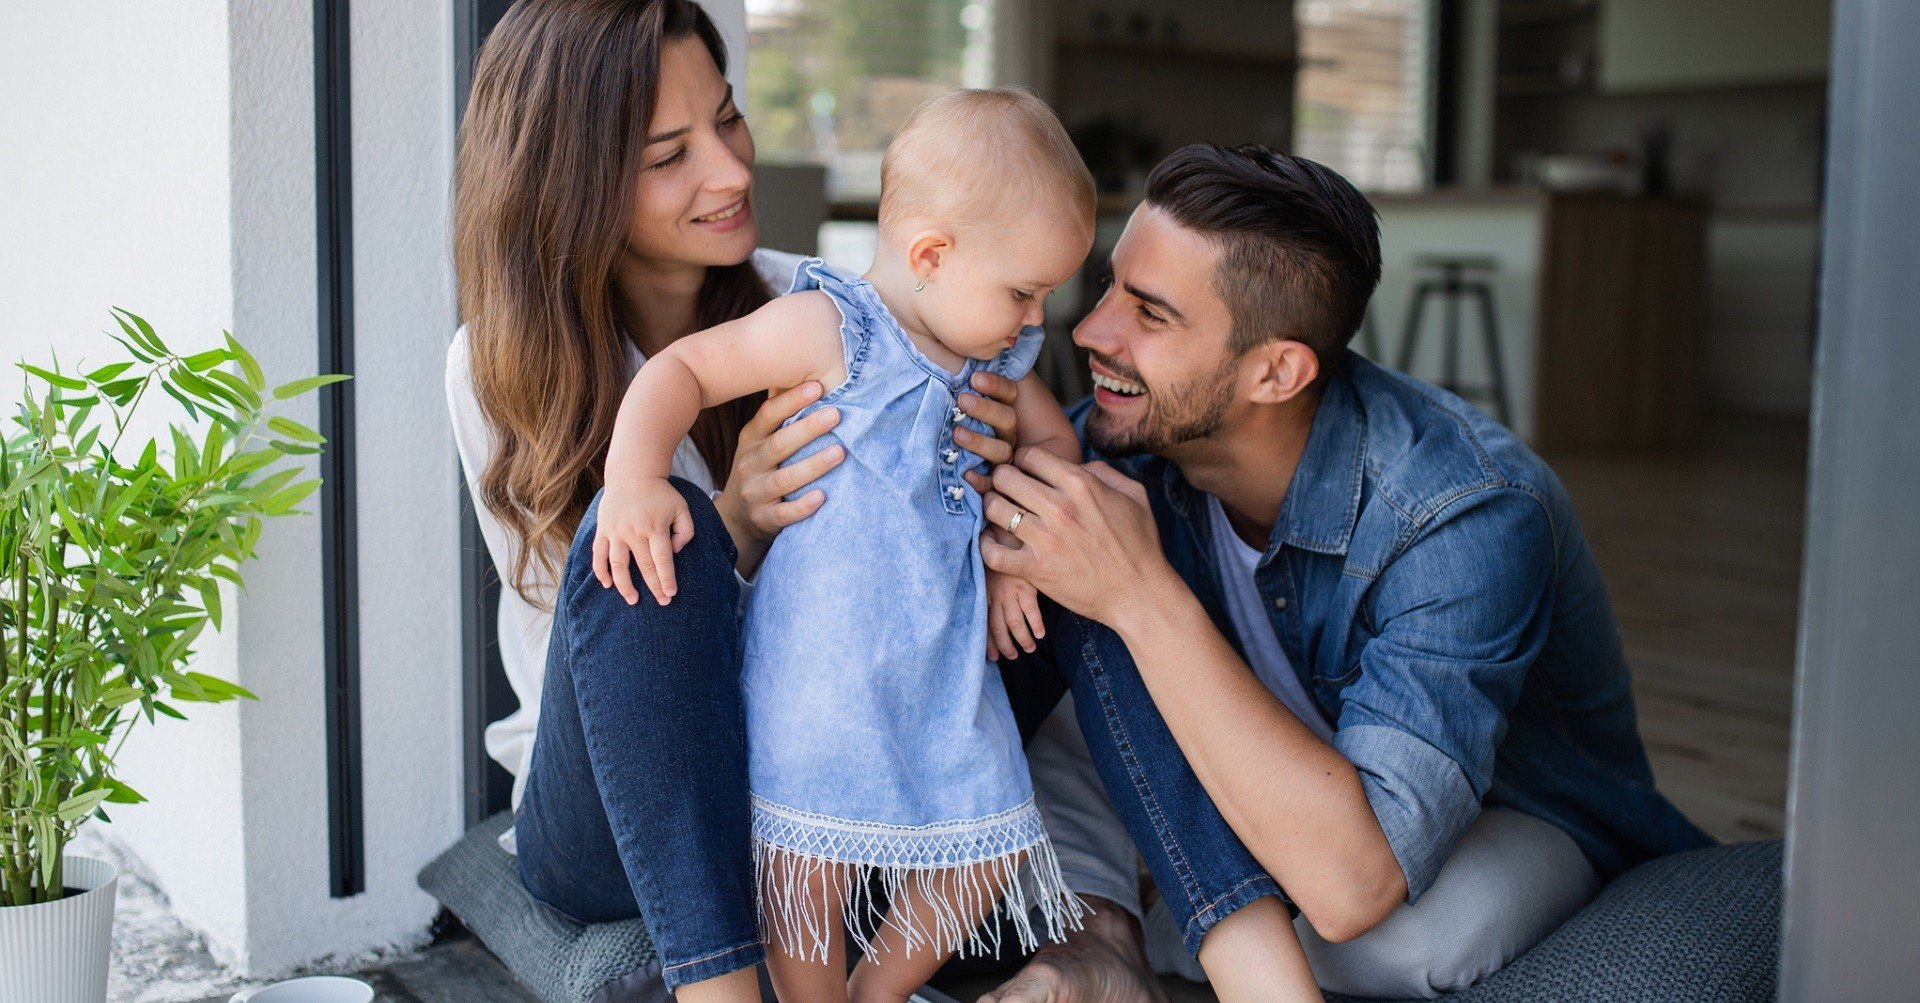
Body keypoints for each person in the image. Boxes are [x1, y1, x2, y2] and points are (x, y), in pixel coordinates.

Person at [969, 144, 1715, 1001]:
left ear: (1276, 371)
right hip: (1263, 784)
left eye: (1150, 313)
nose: (1090, 329)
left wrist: (1144, 595)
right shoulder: (1130, 439)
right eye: (1109, 287)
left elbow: (1355, 884)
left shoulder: (1464, 512)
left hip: (1483, 819)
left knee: (1426, 933)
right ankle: (1106, 933)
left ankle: (1182, 913)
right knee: (1052, 658)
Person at [443, 3, 1032, 1000]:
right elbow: (586, 651)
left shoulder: (833, 314)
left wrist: (986, 496)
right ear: (573, 186)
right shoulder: (496, 369)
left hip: (823, 778)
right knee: (644, 538)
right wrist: (740, 524)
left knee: (1072, 526)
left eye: (729, 119)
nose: (731, 170)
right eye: (669, 154)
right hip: (612, 820)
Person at [589, 88, 1157, 1001]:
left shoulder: (993, 366)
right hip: (819, 675)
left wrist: (1012, 545)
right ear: (931, 255)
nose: (1036, 322)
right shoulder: (832, 328)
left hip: (939, 675)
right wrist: (634, 477)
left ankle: (877, 990)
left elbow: (1058, 448)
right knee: (805, 868)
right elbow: (684, 369)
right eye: (1023, 291)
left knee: (981, 847)